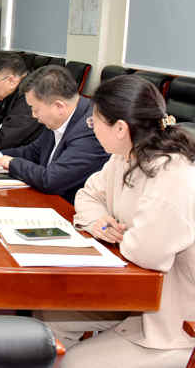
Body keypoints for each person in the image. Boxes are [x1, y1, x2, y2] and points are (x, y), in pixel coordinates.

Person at [41, 74, 195, 367]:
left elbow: (148, 253)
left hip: (173, 323)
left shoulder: (173, 175)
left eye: (94, 121)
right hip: (135, 297)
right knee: (47, 319)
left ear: (121, 128)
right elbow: (87, 195)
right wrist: (100, 222)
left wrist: (123, 235)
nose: (91, 127)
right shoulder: (124, 156)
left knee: (73, 363)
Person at [0, 65, 109, 203]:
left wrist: (11, 163)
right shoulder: (58, 118)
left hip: (70, 208)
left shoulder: (91, 129)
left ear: (59, 107)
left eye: (35, 109)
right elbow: (34, 151)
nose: (33, 115)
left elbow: (52, 180)